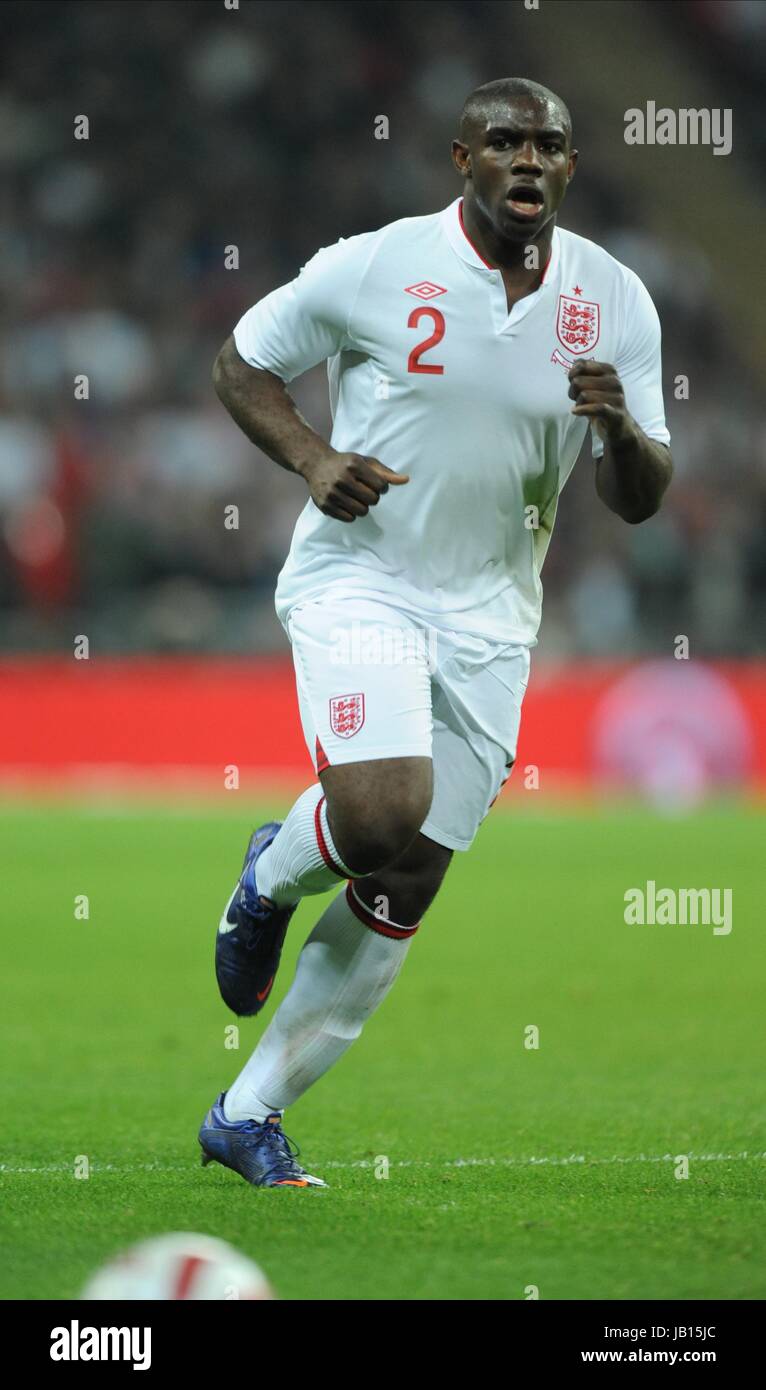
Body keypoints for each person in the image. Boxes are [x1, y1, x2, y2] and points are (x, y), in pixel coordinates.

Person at [198, 76, 672, 1188]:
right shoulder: (377, 263)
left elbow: (642, 494)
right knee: (377, 810)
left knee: (404, 882)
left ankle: (245, 1112)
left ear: (568, 168)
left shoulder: (614, 300)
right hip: (361, 582)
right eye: (502, 140)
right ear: (462, 158)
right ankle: (269, 873)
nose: (525, 159)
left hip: (492, 622)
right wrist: (314, 461)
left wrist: (615, 428)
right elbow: (241, 362)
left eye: (546, 144)